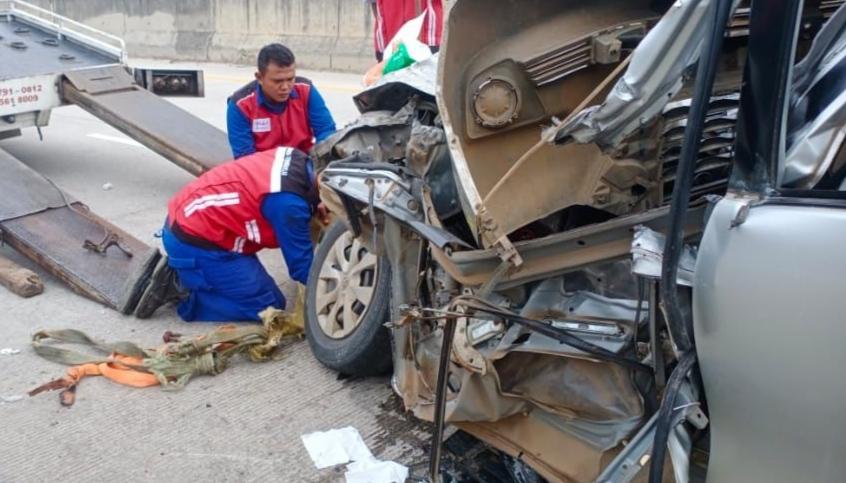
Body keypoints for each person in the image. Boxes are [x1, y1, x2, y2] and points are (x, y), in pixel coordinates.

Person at [135, 147, 329, 322]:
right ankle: (180, 289)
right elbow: (303, 269)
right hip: (194, 240)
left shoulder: (297, 158)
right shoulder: (288, 205)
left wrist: (315, 203)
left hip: (200, 218)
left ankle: (199, 275)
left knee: (259, 293)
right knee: (268, 308)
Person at [227, 44, 336, 159]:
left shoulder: (306, 90)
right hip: (262, 171)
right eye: (277, 81)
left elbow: (327, 132)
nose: (285, 87)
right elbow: (245, 158)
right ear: (259, 77)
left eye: (290, 79)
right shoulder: (240, 106)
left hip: (305, 164)